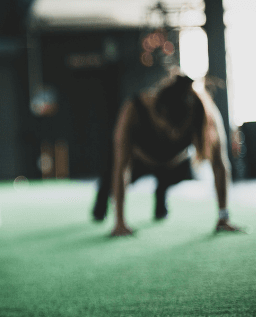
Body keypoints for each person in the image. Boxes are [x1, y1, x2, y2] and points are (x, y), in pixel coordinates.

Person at [92, 74, 243, 236]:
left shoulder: (203, 112)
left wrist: (223, 217)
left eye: (178, 129)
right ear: (159, 112)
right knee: (108, 182)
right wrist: (120, 222)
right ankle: (101, 204)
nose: (173, 134)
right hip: (140, 159)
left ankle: (161, 192)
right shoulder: (134, 109)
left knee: (179, 173)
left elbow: (220, 166)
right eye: (168, 127)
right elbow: (121, 167)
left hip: (174, 163)